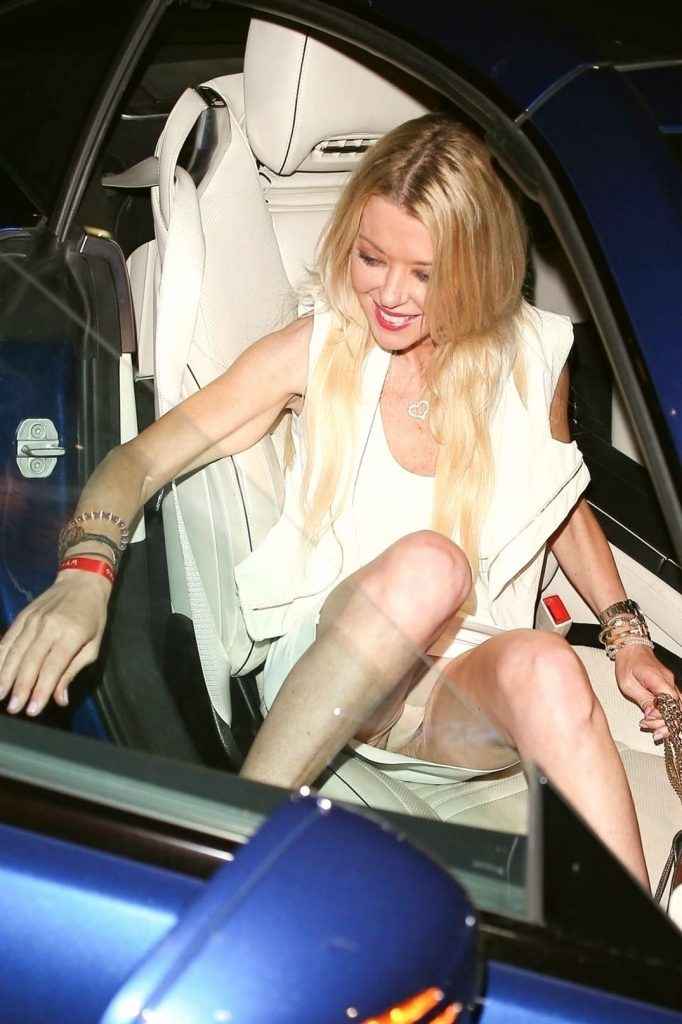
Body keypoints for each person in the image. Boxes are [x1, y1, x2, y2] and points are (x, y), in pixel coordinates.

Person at [0, 115, 676, 891]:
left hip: (456, 700)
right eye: (370, 257)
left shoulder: (533, 355)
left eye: (424, 274)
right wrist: (85, 575)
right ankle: (233, 840)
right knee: (432, 566)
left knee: (550, 667)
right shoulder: (317, 349)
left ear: (478, 266)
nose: (388, 294)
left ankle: (644, 948)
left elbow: (555, 501)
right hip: (339, 669)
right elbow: (140, 460)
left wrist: (627, 638)